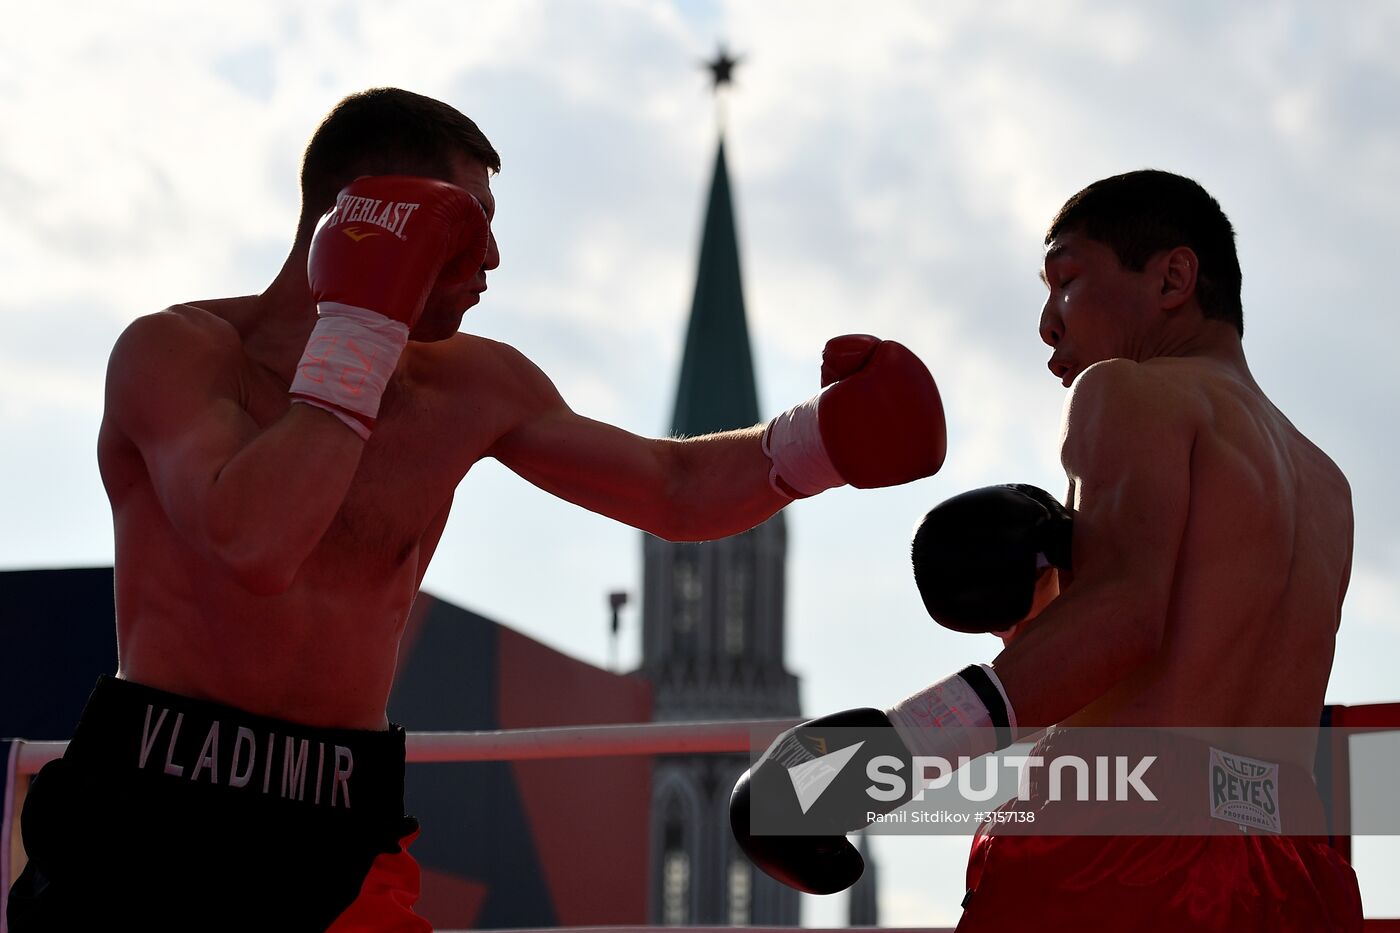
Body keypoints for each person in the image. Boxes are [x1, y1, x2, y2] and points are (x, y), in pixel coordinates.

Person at [6, 88, 946, 932]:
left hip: (343, 828)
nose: (492, 259)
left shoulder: (469, 387)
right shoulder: (178, 357)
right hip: (153, 811)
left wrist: (823, 441)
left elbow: (669, 488)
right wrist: (359, 327)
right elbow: (255, 540)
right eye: (466, 227)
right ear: (374, 217)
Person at [731, 170, 1363, 931]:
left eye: (1067, 279)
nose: (1046, 323)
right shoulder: (1327, 484)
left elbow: (1124, 617)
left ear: (1173, 277)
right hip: (1296, 870)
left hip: (1121, 854)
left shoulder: (1126, 391)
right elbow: (1197, 653)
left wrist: (869, 766)